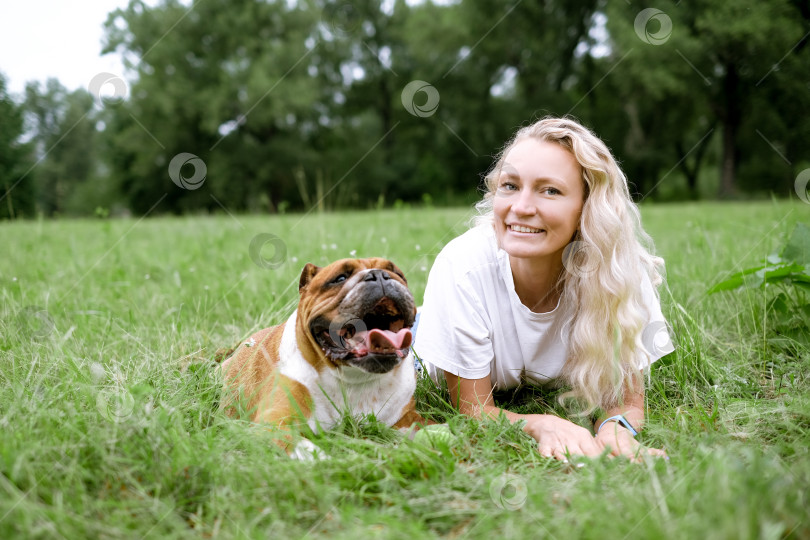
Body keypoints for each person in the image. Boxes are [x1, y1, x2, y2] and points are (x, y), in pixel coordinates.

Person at [414, 117, 673, 462]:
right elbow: (473, 411)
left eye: (550, 190)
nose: (520, 207)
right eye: (510, 186)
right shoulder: (463, 267)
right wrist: (542, 424)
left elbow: (626, 402)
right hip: (423, 339)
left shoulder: (618, 273)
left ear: (587, 208)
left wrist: (615, 430)